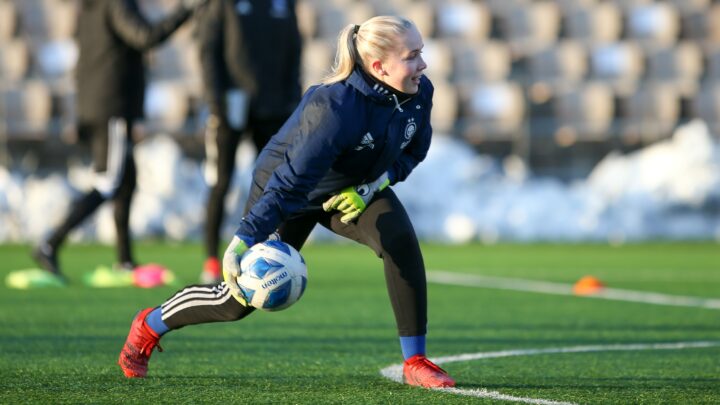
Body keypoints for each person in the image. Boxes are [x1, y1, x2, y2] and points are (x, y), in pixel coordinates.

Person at [118, 16, 456, 388]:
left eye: (421, 53)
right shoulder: (336, 106)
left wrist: (373, 185)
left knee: (400, 241)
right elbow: (291, 181)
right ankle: (149, 325)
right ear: (378, 66)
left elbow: (414, 152)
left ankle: (416, 361)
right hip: (286, 191)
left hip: (350, 188)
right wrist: (243, 240)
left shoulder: (419, 92)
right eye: (413, 56)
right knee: (235, 303)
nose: (422, 64)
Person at [29, 0, 205, 287]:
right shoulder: (116, 3)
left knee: (126, 180)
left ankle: (124, 260)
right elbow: (143, 36)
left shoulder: (91, 7)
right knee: (109, 180)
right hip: (111, 104)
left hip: (99, 103)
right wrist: (184, 10)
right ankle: (51, 242)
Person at [196, 0, 302, 283]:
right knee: (220, 183)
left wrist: (293, 98)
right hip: (229, 107)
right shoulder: (224, 4)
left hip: (274, 107)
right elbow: (208, 49)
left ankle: (275, 258)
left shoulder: (284, 4)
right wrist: (215, 101)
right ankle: (210, 261)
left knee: (275, 184)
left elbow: (294, 50)